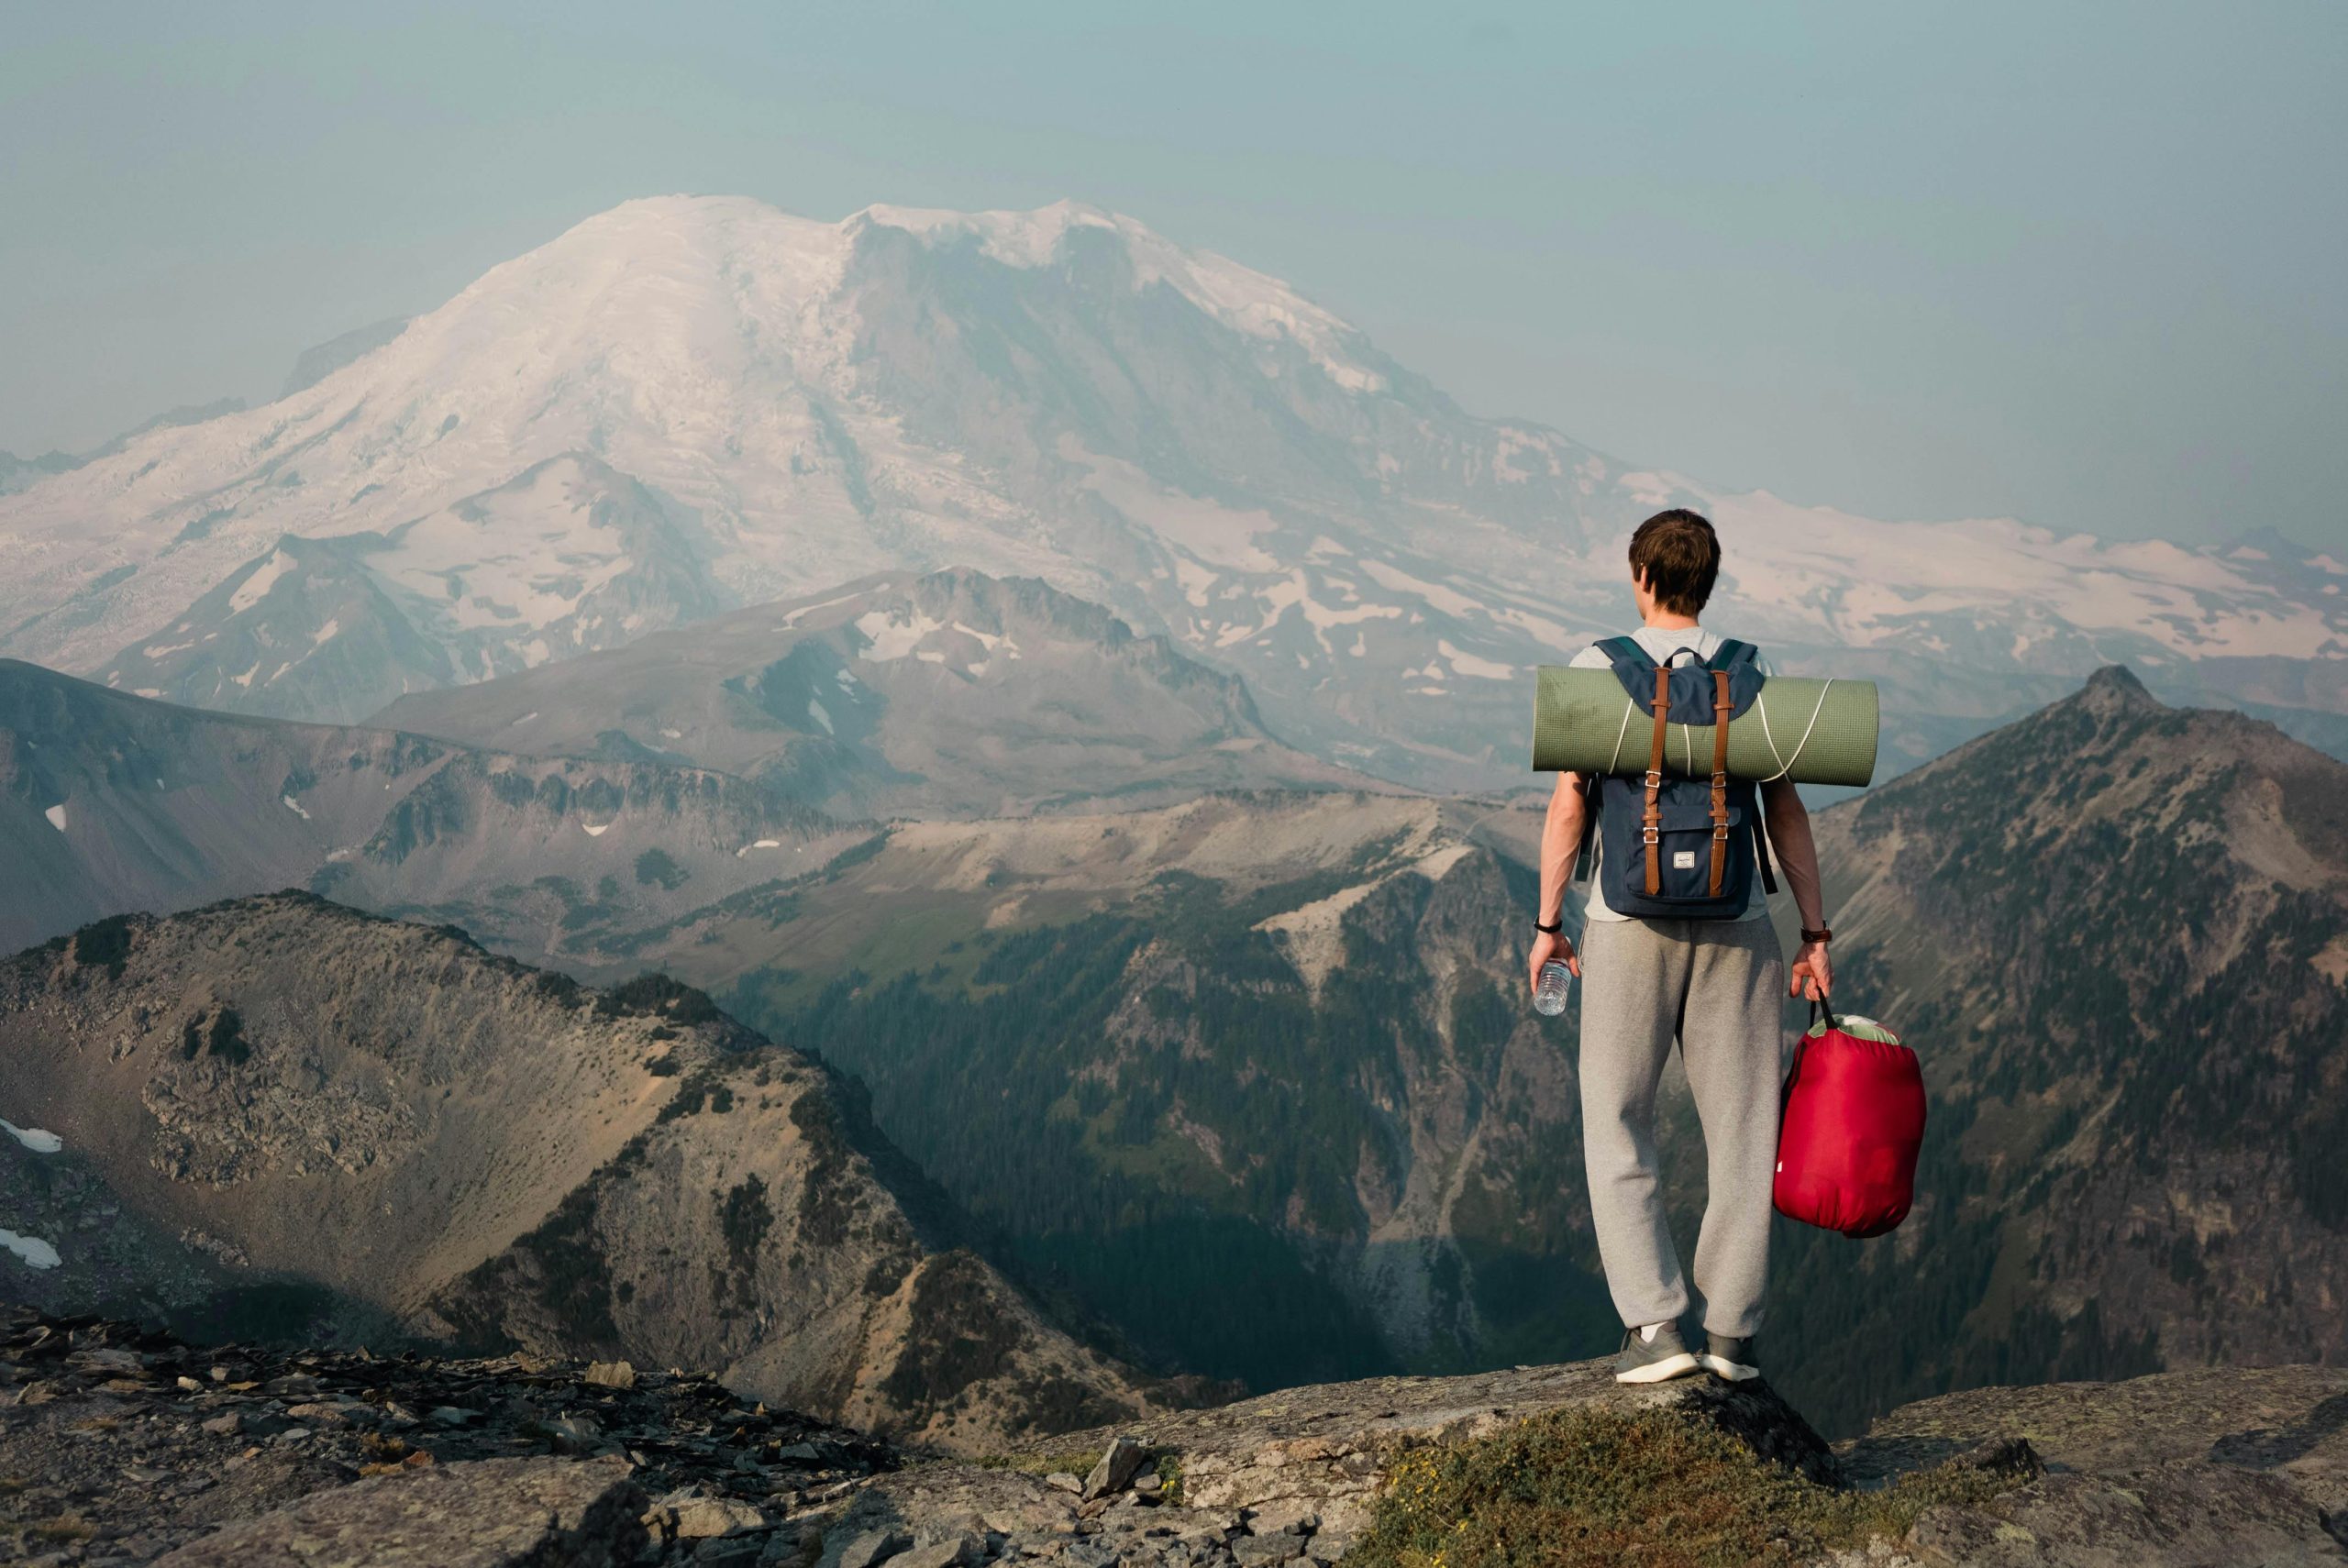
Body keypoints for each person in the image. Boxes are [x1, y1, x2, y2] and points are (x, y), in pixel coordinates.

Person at [1527, 508, 1833, 1385]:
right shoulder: (1749, 670)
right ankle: (1732, 1335)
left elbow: (1570, 807)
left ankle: (1657, 1329)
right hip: (1739, 929)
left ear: (1639, 576)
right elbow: (1785, 813)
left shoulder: (1596, 669)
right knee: (1743, 1127)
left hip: (1628, 928)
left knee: (1618, 1118)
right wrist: (1813, 933)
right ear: (1709, 581)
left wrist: (1550, 925)